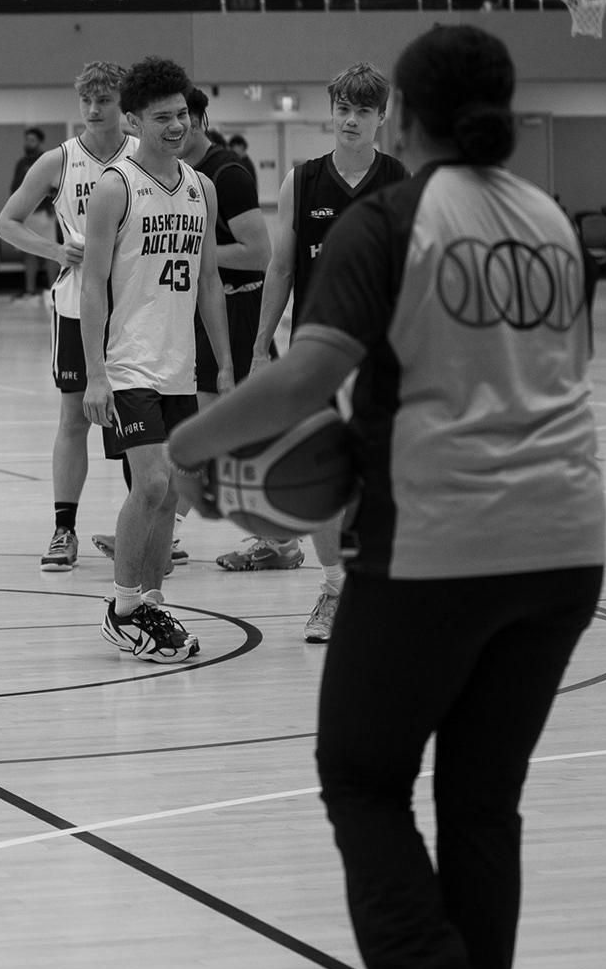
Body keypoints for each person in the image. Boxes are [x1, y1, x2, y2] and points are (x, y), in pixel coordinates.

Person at [167, 24, 603, 969]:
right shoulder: (555, 222)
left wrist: (192, 444)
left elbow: (308, 375)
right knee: (483, 802)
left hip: (438, 541)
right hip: (568, 546)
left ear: (401, 115)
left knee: (362, 778)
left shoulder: (395, 220)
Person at [249, 63, 408, 637]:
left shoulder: (398, 180)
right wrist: (260, 347)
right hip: (316, 355)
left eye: (363, 111)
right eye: (343, 109)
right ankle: (335, 590)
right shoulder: (302, 181)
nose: (351, 120)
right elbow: (281, 268)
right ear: (331, 112)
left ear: (382, 117)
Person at [82, 57, 232, 663]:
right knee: (150, 482)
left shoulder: (201, 188)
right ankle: (121, 610)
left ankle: (150, 602)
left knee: (171, 495)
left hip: (180, 367)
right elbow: (92, 285)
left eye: (183, 115)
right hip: (128, 364)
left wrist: (225, 364)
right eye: (163, 117)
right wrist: (95, 373)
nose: (177, 126)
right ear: (133, 120)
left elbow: (210, 282)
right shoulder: (115, 187)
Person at [0, 63, 136, 572]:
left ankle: (143, 530)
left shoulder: (144, 156)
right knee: (74, 418)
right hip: (78, 306)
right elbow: (6, 223)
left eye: (104, 101)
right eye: (86, 101)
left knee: (139, 420)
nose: (94, 111)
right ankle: (64, 529)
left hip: (136, 307)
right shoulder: (59, 160)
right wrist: (56, 251)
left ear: (123, 104)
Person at [179, 89, 272, 413]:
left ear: (194, 123)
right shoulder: (176, 172)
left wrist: (192, 253)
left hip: (237, 307)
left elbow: (260, 253)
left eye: (177, 119)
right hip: (197, 305)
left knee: (220, 414)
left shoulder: (227, 173)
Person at [7, 127, 54, 299]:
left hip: (43, 213)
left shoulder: (46, 160)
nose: (28, 143)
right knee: (29, 252)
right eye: (26, 140)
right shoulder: (21, 163)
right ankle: (30, 290)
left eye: (32, 140)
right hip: (26, 215)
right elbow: (15, 188)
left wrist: (52, 208)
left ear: (39, 142)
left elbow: (54, 185)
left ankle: (53, 289)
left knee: (50, 252)